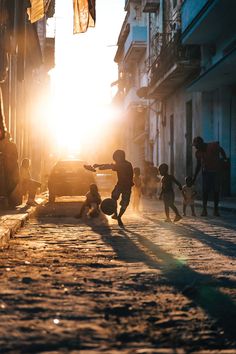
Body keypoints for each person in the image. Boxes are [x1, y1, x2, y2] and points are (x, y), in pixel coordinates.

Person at [85, 149, 134, 228]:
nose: (116, 159)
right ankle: (117, 215)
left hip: (126, 186)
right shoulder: (124, 164)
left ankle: (118, 217)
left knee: (123, 202)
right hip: (121, 185)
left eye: (117, 157)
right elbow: (110, 165)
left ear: (120, 157)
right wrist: (100, 166)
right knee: (115, 198)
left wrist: (98, 166)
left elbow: (110, 166)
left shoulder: (124, 165)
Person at [192, 136, 227, 216]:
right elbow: (198, 165)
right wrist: (194, 177)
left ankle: (216, 210)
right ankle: (204, 210)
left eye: (196, 145)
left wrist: (225, 160)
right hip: (206, 173)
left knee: (216, 191)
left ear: (201, 143)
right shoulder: (198, 153)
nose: (196, 147)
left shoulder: (213, 145)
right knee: (205, 191)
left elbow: (221, 150)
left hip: (216, 172)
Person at [0, 132, 21, 207]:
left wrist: (8, 156)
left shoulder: (12, 145)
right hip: (5, 169)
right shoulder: (3, 145)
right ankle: (8, 203)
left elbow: (16, 156)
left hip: (12, 168)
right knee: (6, 186)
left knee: (12, 186)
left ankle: (12, 203)